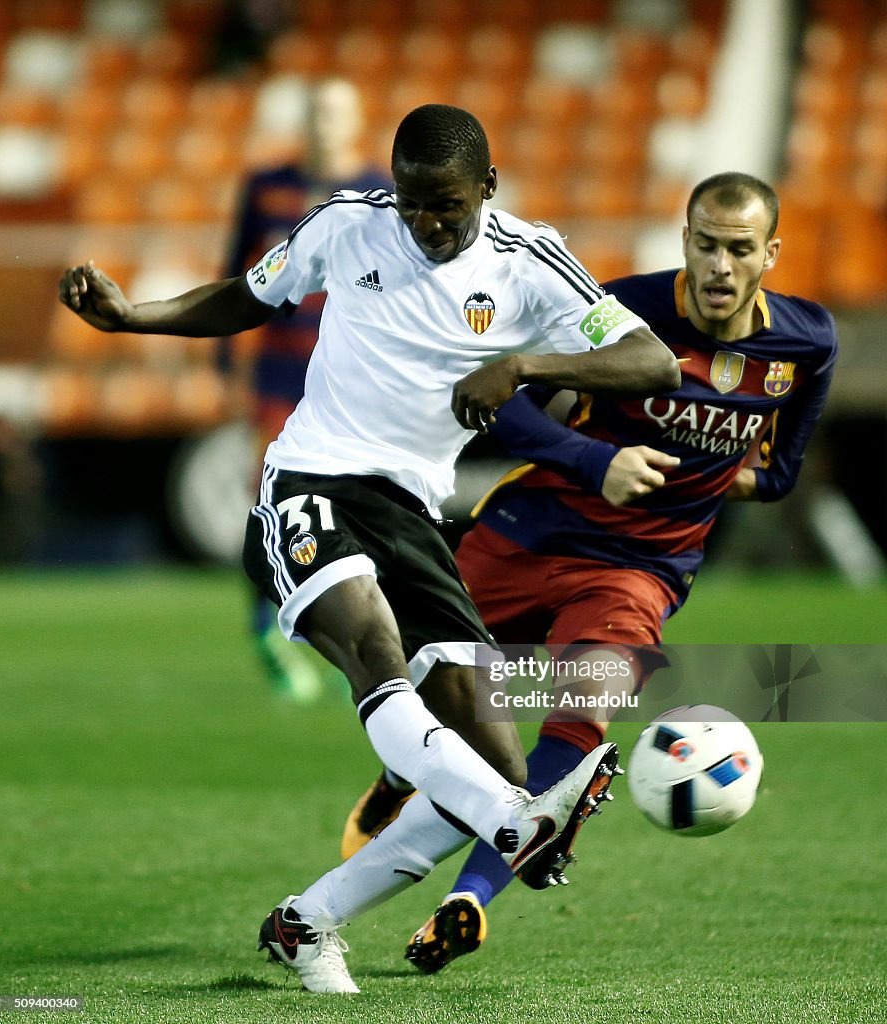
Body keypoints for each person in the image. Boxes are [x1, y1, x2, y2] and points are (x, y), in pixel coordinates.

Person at [58, 103, 680, 994]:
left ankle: (307, 922)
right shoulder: (349, 225)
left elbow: (651, 360)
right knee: (378, 657)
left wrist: (524, 366)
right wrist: (133, 319)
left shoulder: (529, 263)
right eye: (415, 201)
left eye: (449, 205)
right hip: (310, 483)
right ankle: (516, 823)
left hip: (416, 519)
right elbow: (247, 294)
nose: (428, 223)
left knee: (493, 757)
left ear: (489, 190)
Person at [342, 171, 838, 975]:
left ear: (769, 255)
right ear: (684, 241)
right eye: (706, 245)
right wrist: (594, 458)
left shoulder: (805, 344)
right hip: (527, 532)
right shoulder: (623, 311)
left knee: (575, 724)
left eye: (739, 250)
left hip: (641, 572)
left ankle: (466, 899)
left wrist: (698, 483)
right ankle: (402, 770)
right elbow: (500, 398)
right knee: (430, 678)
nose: (720, 266)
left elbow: (778, 476)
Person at [220, 77, 391, 700]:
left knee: (351, 503)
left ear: (355, 121)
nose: (325, 123)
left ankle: (355, 633)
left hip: (350, 373)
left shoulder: (382, 190)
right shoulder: (266, 186)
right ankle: (266, 624)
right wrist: (223, 361)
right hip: (279, 371)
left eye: (336, 112)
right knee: (273, 496)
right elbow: (235, 275)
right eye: (317, 110)